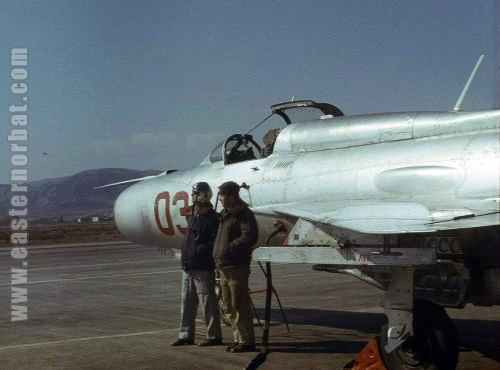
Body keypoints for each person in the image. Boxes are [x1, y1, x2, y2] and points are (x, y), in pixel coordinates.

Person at [171, 182, 223, 347]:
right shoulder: (193, 215)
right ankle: (186, 335)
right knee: (186, 302)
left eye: (195, 193)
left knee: (207, 302)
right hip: (188, 265)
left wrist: (200, 251)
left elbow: (214, 241)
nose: (192, 196)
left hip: (202, 266)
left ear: (203, 195)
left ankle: (214, 336)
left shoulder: (214, 219)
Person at [212, 181, 259, 353]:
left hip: (236, 266)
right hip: (224, 266)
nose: (221, 198)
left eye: (223, 195)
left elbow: (250, 236)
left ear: (232, 196)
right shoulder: (226, 214)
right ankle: (238, 338)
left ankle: (247, 341)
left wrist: (228, 249)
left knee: (239, 304)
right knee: (229, 306)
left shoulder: (243, 214)